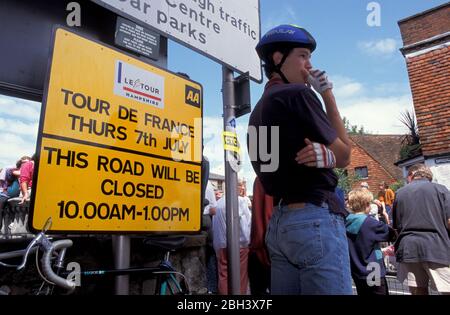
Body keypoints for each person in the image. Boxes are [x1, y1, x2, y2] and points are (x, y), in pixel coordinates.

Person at [248, 24, 352, 294]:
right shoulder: (298, 94)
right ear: (277, 58)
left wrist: (324, 156)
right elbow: (345, 155)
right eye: (303, 56)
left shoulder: (259, 109)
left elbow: (268, 171)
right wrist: (327, 93)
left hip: (281, 226)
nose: (310, 66)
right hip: (315, 219)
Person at [393, 163, 450, 295]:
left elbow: (396, 227)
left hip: (409, 249)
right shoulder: (441, 190)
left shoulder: (400, 193)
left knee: (418, 291)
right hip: (437, 247)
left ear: (411, 175)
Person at [345, 188, 396, 295]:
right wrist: (382, 211)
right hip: (373, 269)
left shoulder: (346, 221)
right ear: (367, 205)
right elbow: (392, 234)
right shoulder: (370, 223)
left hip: (356, 269)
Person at [212, 181, 252, 295]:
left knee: (224, 276)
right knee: (241, 277)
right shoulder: (240, 201)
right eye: (240, 185)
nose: (242, 188)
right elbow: (246, 225)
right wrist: (247, 242)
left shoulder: (219, 203)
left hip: (221, 244)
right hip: (239, 245)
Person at [248, 177, 273, 295]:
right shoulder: (266, 178)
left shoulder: (261, 178)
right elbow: (267, 215)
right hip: (269, 250)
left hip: (260, 249)